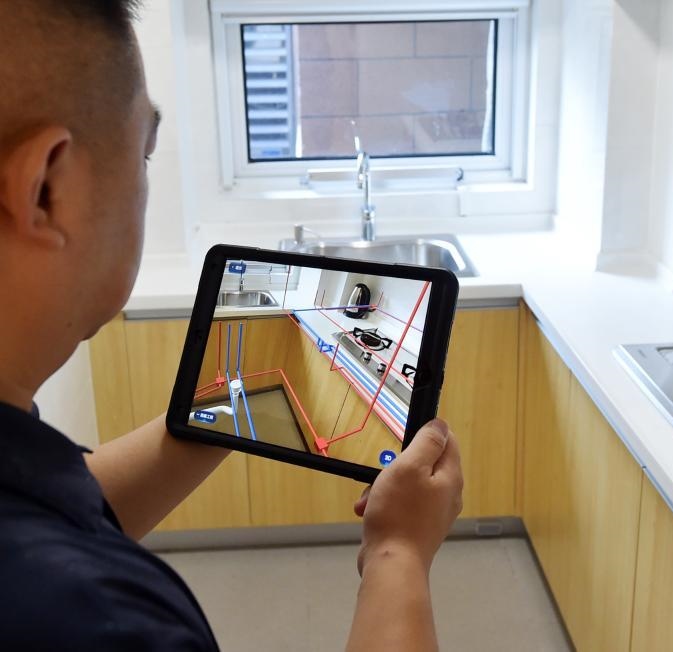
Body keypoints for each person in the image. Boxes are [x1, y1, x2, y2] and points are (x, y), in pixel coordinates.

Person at [0, 1, 463, 650]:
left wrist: (213, 419)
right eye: (143, 156)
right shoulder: (99, 620)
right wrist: (398, 553)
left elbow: (67, 503)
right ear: (48, 188)